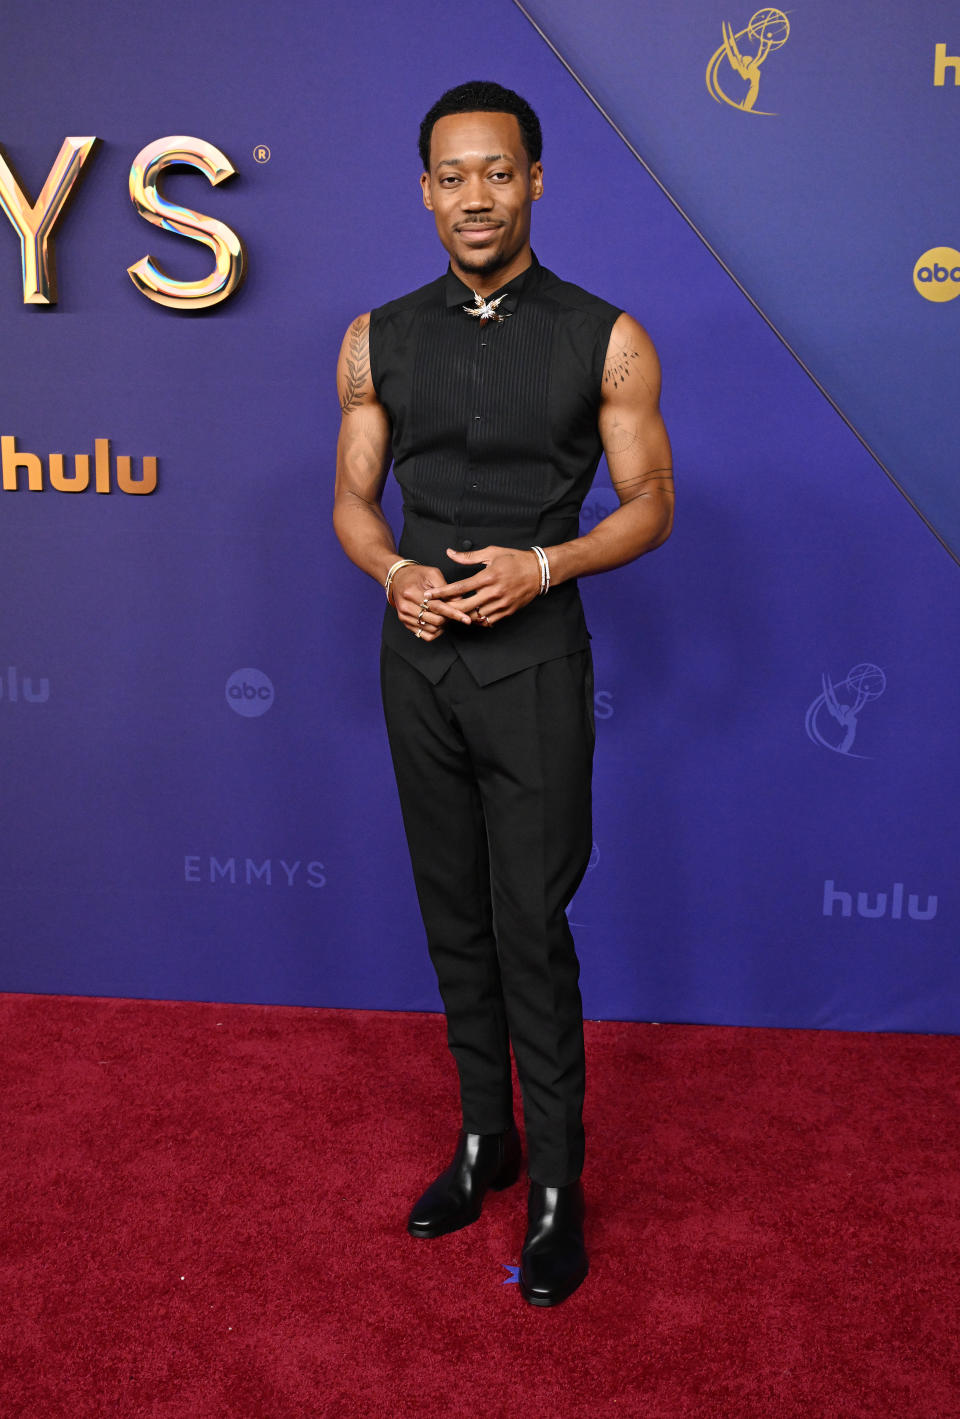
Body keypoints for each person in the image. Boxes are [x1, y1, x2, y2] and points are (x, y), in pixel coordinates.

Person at [333, 80, 673, 1308]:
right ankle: (487, 1140)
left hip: (535, 664)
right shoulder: (375, 336)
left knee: (530, 924)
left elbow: (651, 506)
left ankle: (556, 1187)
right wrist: (392, 571)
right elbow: (352, 503)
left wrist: (546, 563)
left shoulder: (607, 335)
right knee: (452, 914)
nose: (476, 196)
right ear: (425, 191)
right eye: (452, 176)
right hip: (417, 661)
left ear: (535, 181)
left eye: (498, 173)